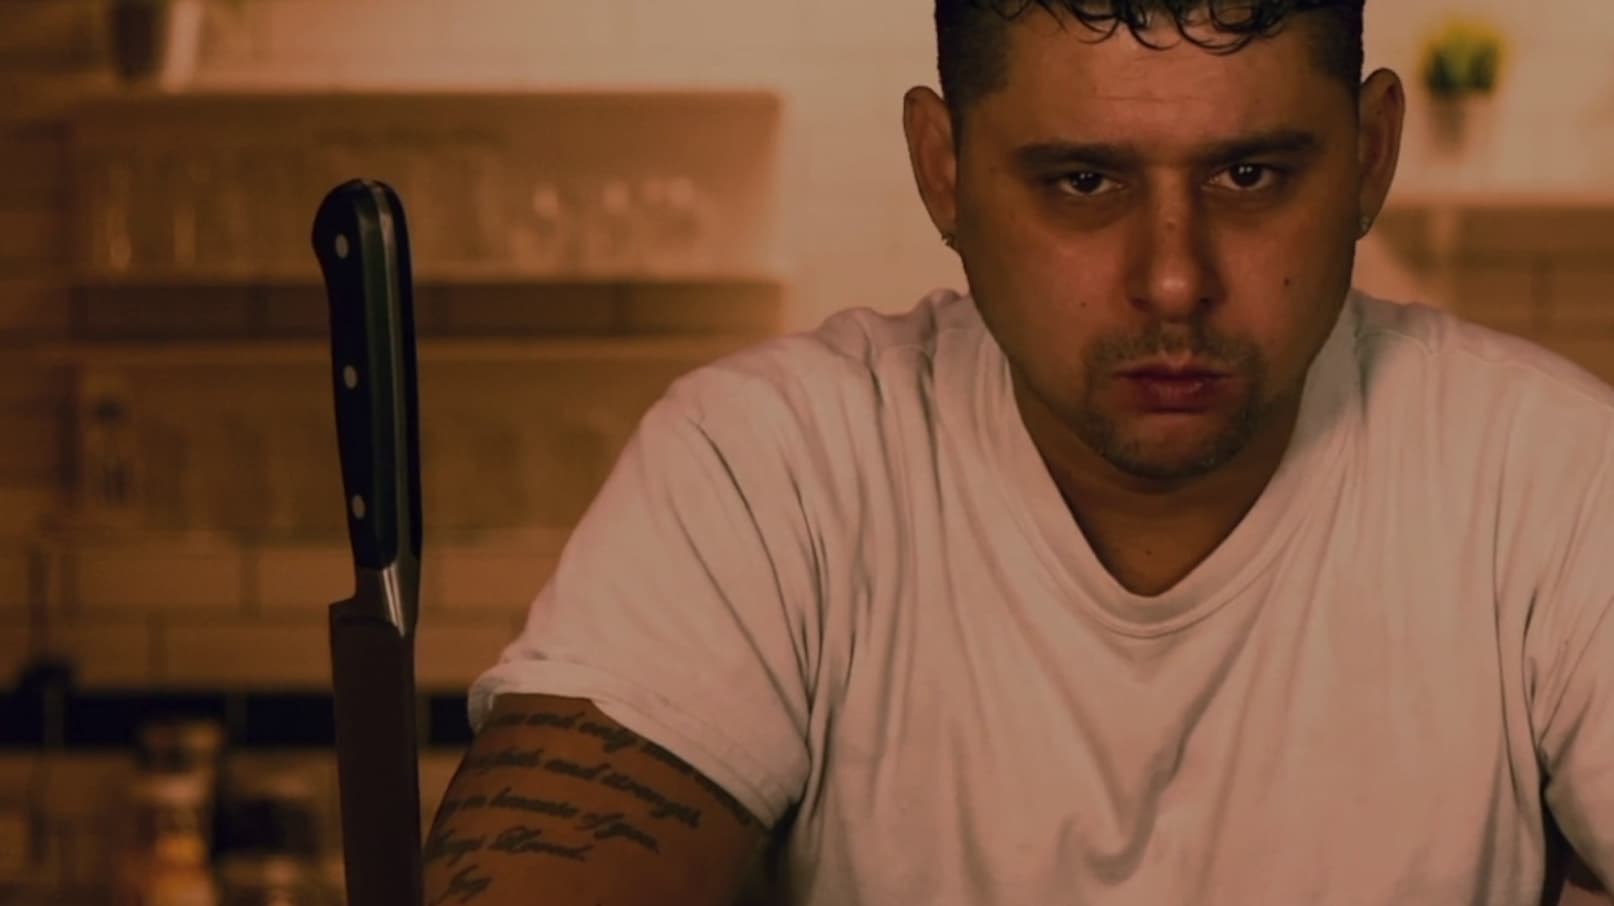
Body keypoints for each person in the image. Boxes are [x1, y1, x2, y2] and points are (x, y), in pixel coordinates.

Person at [421, 2, 1614, 904]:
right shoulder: (769, 469)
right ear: (943, 170)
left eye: (1250, 175)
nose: (1173, 281)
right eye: (1082, 181)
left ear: (1371, 155)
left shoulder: (1549, 478)